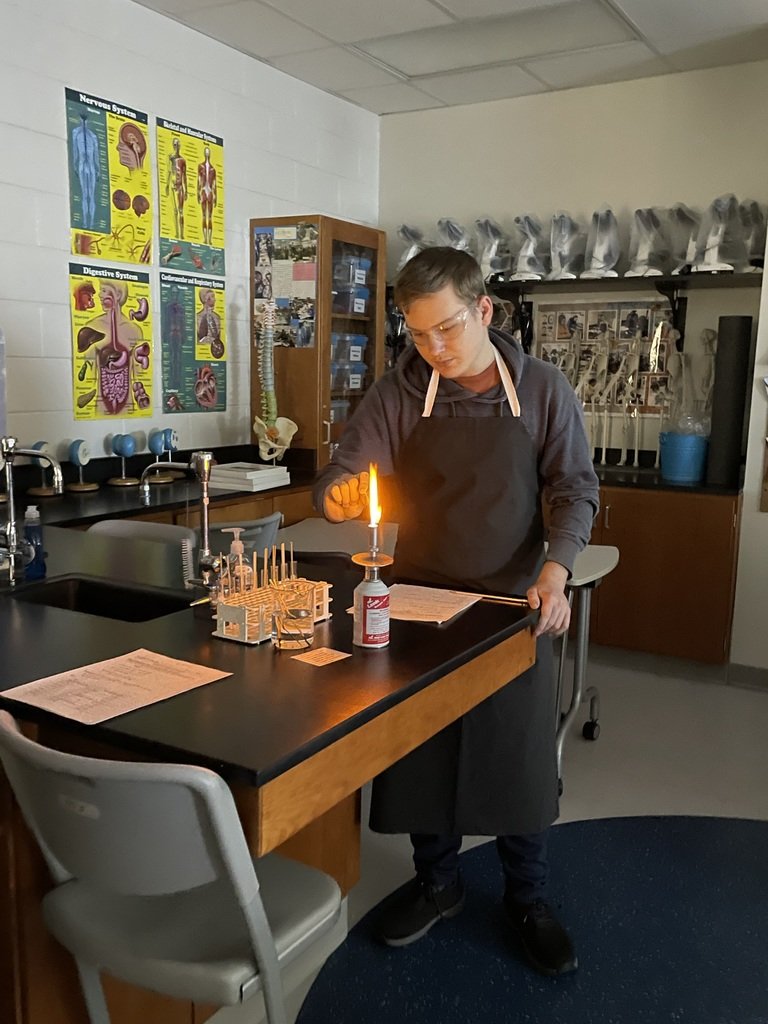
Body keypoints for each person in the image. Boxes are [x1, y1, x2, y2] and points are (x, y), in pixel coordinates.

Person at [313, 247, 599, 977]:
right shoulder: (399, 392)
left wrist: (557, 573)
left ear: (485, 311)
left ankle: (527, 897)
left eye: (447, 329)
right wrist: (341, 493)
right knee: (423, 757)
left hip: (510, 606)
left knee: (517, 759)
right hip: (417, 603)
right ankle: (437, 883)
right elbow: (346, 472)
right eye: (417, 333)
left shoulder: (541, 390)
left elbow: (574, 488)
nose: (434, 348)